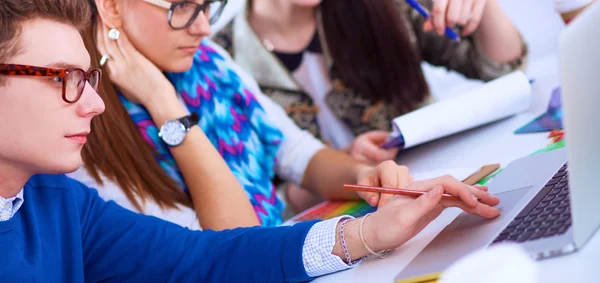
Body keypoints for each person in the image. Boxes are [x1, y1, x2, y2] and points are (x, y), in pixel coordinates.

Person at [0, 1, 500, 281]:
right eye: (62, 77)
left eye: (87, 77)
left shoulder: (58, 202)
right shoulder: (77, 163)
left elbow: (201, 259)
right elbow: (218, 243)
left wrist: (367, 233)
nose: (94, 102)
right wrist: (166, 107)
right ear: (111, 9)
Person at [68, 0, 433, 229]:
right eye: (181, 7)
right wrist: (164, 106)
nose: (204, 26)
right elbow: (230, 243)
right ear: (111, 7)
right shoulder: (86, 125)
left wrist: (364, 175)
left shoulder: (208, 62)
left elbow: (294, 153)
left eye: (207, 4)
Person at [212, 0, 528, 211]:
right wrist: (340, 169)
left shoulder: (383, 7)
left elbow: (503, 71)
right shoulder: (217, 63)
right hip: (342, 235)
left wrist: (483, 5)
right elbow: (259, 204)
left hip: (447, 188)